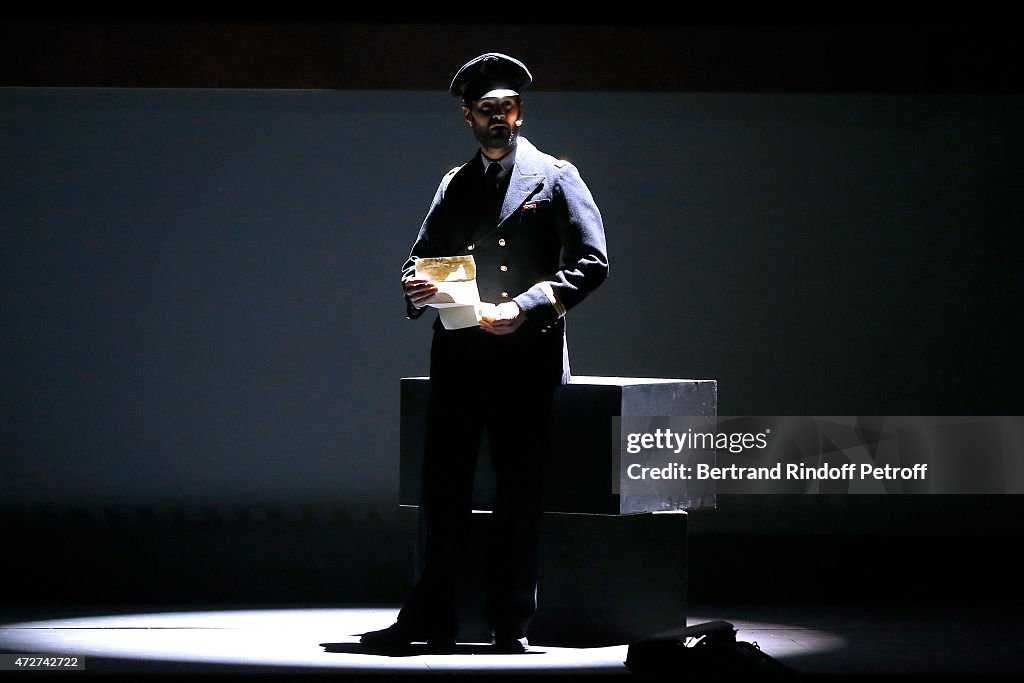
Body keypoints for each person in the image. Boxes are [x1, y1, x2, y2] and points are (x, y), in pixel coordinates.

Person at [361, 52, 608, 653]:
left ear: (520, 114)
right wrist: (416, 287)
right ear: (468, 117)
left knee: (518, 492)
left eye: (509, 108)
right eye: (488, 110)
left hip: (526, 359)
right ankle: (430, 617)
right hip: (461, 357)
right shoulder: (457, 182)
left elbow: (592, 263)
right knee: (443, 490)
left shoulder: (555, 176)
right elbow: (422, 256)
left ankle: (510, 623)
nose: (500, 119)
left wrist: (521, 308)